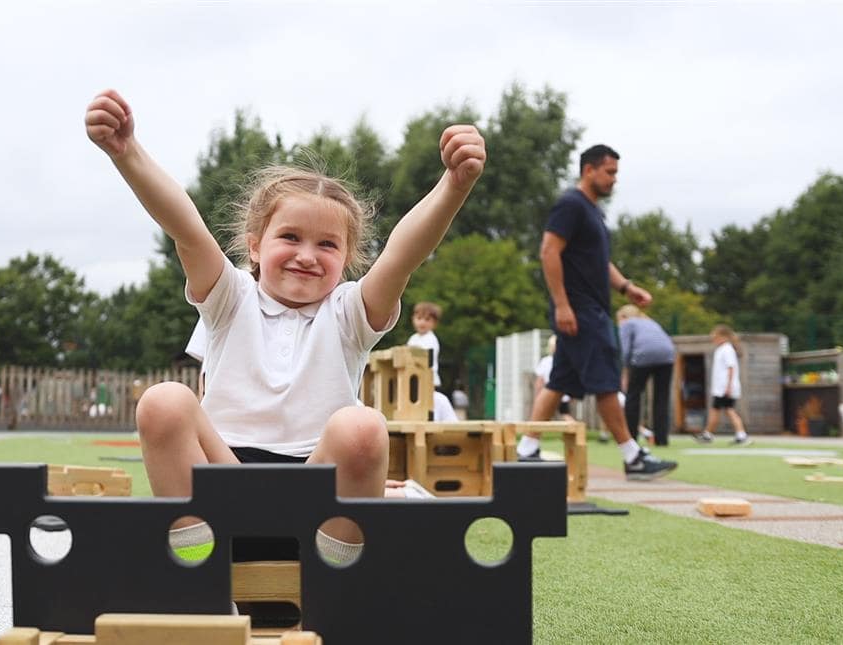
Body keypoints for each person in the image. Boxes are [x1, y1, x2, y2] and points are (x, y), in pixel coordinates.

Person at [85, 88, 485, 565]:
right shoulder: (230, 297)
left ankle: (334, 584)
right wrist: (128, 153)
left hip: (316, 498)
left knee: (362, 426)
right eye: (290, 237)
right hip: (220, 484)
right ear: (254, 246)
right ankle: (198, 572)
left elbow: (402, 255)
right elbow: (186, 227)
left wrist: (454, 185)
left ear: (348, 260)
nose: (306, 255)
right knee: (163, 400)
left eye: (328, 245)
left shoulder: (349, 313)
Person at [515, 144, 677, 481]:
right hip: (581, 312)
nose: (614, 180)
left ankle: (526, 450)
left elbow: (599, 262)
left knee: (558, 381)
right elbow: (548, 251)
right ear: (589, 170)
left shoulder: (594, 212)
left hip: (590, 309)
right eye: (610, 172)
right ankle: (632, 457)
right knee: (605, 383)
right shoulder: (571, 205)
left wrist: (626, 287)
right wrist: (562, 304)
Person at [617, 304, 676, 446]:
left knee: (633, 396)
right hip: (667, 355)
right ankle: (662, 439)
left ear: (623, 317)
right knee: (661, 398)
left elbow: (625, 350)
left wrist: (625, 372)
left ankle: (631, 438)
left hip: (643, 355)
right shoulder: (650, 321)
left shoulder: (627, 324)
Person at [694, 324, 750, 445]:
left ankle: (741, 435)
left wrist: (728, 386)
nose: (713, 339)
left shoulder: (727, 349)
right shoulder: (722, 349)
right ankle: (708, 434)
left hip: (724, 388)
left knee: (728, 410)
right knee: (718, 410)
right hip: (721, 388)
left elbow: (731, 368)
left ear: (723, 337)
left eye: (715, 337)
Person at [407, 301, 458, 421]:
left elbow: (423, 356)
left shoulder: (430, 339)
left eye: (427, 319)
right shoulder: (413, 338)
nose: (422, 322)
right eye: (419, 318)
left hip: (428, 379)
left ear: (434, 323)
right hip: (414, 379)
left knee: (429, 404)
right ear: (413, 319)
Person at [533, 335, 578, 424]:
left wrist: (538, 394)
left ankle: (533, 434)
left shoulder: (545, 361)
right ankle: (574, 427)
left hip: (548, 393)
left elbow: (540, 380)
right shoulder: (567, 362)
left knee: (542, 415)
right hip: (562, 394)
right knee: (565, 413)